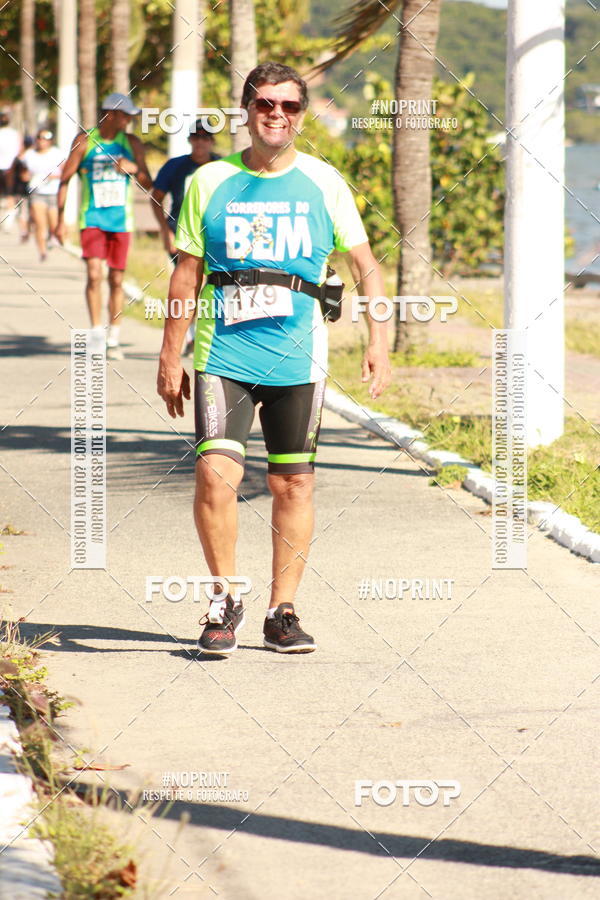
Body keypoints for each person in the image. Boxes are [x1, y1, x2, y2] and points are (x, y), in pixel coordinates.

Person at [156, 62, 391, 656]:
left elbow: (365, 265)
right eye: (265, 103)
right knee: (215, 475)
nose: (277, 114)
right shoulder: (210, 181)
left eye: (289, 105)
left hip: (297, 360)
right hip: (223, 355)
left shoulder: (324, 182)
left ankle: (281, 612)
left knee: (293, 484)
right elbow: (186, 274)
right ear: (246, 110)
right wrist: (169, 354)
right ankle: (224, 600)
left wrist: (378, 340)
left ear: (301, 115)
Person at [55, 92, 152, 359]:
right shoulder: (85, 141)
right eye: (125, 116)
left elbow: (148, 183)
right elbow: (65, 179)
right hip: (92, 218)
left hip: (121, 221)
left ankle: (114, 337)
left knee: (116, 279)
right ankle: (97, 333)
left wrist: (134, 168)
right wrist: (60, 221)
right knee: (95, 274)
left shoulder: (131, 143)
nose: (129, 121)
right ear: (110, 114)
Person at [150, 121, 219, 355]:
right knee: (189, 286)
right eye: (196, 137)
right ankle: (189, 337)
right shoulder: (175, 166)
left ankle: (206, 334)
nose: (201, 142)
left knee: (213, 286)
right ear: (190, 140)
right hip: (183, 235)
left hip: (214, 236)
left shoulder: (222, 166)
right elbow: (156, 198)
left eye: (205, 137)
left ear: (212, 141)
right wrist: (165, 231)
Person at [21, 128, 64, 261]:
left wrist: (54, 177)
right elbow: (23, 172)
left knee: (53, 223)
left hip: (53, 193)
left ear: (51, 141)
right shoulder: (29, 154)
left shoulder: (57, 154)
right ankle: (42, 251)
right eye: (39, 138)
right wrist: (26, 177)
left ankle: (51, 238)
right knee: (40, 224)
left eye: (46, 138)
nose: (42, 141)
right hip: (37, 193)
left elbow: (65, 172)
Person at [0, 111, 22, 233]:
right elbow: (20, 150)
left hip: (7, 167)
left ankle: (7, 220)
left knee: (7, 196)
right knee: (10, 195)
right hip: (11, 168)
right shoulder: (15, 134)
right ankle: (8, 222)